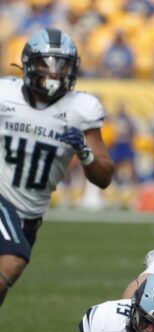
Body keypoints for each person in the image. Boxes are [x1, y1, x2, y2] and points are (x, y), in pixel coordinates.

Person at [0, 27, 113, 308]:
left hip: (30, 213)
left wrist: (84, 154)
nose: (53, 72)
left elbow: (105, 177)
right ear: (29, 63)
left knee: (8, 272)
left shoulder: (81, 107)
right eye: (45, 63)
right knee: (12, 260)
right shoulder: (5, 94)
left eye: (61, 64)